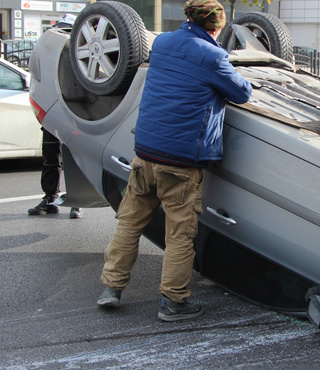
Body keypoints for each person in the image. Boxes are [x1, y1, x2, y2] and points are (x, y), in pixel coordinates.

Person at [96, 0, 252, 322]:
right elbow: (242, 93)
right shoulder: (213, 56)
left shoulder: (163, 43)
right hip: (181, 161)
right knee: (179, 235)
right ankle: (173, 302)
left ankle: (111, 288)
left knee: (129, 224)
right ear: (217, 26)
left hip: (145, 153)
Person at [27, 14, 82, 219]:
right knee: (51, 157)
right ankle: (50, 197)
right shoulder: (51, 54)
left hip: (75, 113)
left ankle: (77, 201)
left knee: (75, 159)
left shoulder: (81, 54)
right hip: (53, 111)